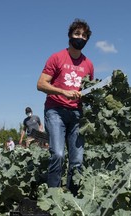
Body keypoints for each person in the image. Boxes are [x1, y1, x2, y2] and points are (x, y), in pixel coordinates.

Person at [37, 18, 94, 195]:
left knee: (77, 160)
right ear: (70, 36)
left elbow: (89, 92)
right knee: (58, 154)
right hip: (55, 111)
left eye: (84, 35)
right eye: (77, 34)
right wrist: (63, 92)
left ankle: (72, 198)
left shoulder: (88, 65)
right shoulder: (57, 58)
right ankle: (52, 197)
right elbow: (41, 84)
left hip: (77, 114)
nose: (80, 37)